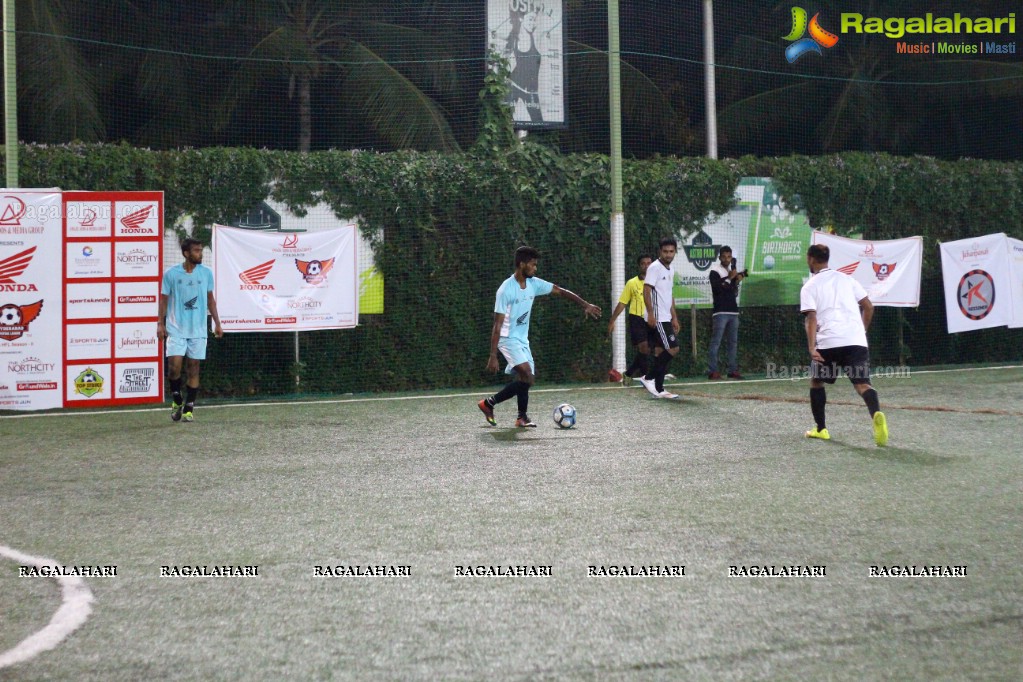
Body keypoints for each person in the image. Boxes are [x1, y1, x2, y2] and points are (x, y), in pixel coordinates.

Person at [478, 245, 601, 427]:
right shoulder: (505, 290)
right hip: (507, 339)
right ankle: (489, 403)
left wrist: (585, 305)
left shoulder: (533, 284)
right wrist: (493, 355)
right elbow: (497, 325)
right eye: (533, 265)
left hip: (522, 340)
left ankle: (521, 417)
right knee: (528, 376)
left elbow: (560, 291)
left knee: (525, 380)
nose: (535, 269)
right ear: (521, 265)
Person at [800, 244, 888, 446]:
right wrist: (861, 331)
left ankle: (821, 429)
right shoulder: (847, 279)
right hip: (855, 341)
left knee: (817, 382)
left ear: (811, 259)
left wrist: (812, 347)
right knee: (862, 384)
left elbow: (811, 318)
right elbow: (868, 307)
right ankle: (876, 414)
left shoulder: (809, 286)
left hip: (828, 342)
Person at [158, 238, 223, 423]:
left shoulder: (206, 273)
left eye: (201, 250)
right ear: (186, 253)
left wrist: (217, 323)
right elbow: (163, 300)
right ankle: (177, 399)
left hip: (198, 330)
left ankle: (189, 407)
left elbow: (211, 300)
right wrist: (159, 323)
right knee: (174, 368)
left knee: (193, 368)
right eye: (196, 250)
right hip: (176, 329)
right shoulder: (171, 274)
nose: (200, 253)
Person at [637, 237, 681, 400]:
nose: (668, 254)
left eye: (671, 251)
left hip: (666, 317)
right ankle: (648, 378)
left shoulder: (670, 269)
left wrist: (674, 317)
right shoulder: (655, 267)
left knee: (661, 351)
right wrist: (651, 314)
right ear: (660, 252)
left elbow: (669, 295)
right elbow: (646, 291)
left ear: (675, 252)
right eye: (665, 251)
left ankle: (659, 389)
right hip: (658, 318)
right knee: (673, 349)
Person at [606, 255, 653, 383]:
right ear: (639, 266)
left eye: (649, 263)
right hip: (636, 318)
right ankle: (646, 379)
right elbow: (622, 303)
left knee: (649, 349)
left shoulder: (657, 281)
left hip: (652, 318)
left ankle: (628, 374)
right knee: (643, 347)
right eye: (643, 263)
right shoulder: (632, 283)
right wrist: (612, 320)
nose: (646, 266)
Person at [707, 246, 744, 380]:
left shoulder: (731, 270)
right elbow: (718, 289)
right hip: (720, 312)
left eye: (729, 257)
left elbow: (732, 291)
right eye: (724, 257)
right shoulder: (714, 271)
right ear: (719, 257)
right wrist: (729, 278)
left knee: (732, 342)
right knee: (716, 342)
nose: (727, 259)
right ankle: (713, 371)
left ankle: (732, 370)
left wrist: (737, 279)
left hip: (733, 311)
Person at [503, 6, 543, 123]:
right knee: (504, 120)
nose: (533, 23)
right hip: (513, 85)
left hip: (531, 90)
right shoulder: (514, 38)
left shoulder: (536, 37)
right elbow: (503, 56)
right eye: (530, 19)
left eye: (534, 20)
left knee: (538, 122)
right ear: (521, 19)